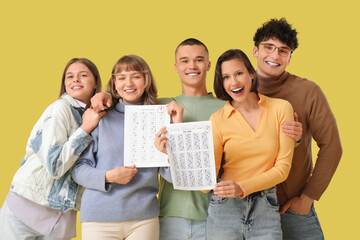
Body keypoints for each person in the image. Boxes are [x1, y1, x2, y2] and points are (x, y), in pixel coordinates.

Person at [92, 38, 303, 240]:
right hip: (170, 212)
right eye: (185, 61)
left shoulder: (227, 107)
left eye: (199, 60)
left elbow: (259, 139)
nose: (192, 66)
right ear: (175, 66)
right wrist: (106, 96)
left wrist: (294, 138)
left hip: (212, 213)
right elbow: (129, 99)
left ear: (209, 65)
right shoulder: (159, 107)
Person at [70, 55, 183, 240]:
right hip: (99, 218)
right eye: (121, 78)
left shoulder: (160, 118)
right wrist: (109, 176)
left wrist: (169, 151)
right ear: (114, 84)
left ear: (146, 80)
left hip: (143, 219)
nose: (128, 83)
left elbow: (171, 177)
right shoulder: (99, 118)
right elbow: (78, 169)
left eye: (136, 76)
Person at [252, 18, 342, 239]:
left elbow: (332, 146)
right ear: (255, 50)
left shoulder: (308, 91)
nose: (274, 56)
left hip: (293, 208)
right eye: (268, 47)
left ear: (290, 58)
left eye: (283, 51)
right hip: (248, 210)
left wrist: (308, 198)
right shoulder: (234, 90)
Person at [0, 58, 105, 239]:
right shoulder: (60, 109)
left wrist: (108, 96)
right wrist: (84, 129)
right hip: (25, 210)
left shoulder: (97, 115)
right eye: (69, 76)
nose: (75, 80)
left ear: (95, 82)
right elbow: (55, 165)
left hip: (60, 219)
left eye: (83, 75)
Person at [204, 49, 294, 239]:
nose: (234, 82)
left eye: (239, 73)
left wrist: (242, 187)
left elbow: (283, 169)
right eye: (226, 77)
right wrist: (172, 154)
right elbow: (207, 180)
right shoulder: (217, 119)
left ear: (251, 74)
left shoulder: (281, 108)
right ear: (222, 83)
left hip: (265, 205)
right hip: (225, 206)